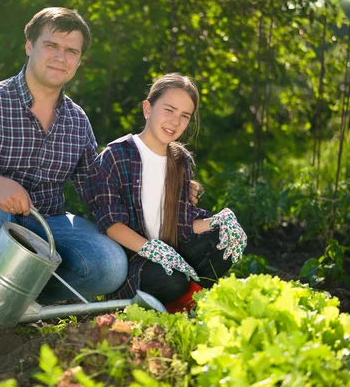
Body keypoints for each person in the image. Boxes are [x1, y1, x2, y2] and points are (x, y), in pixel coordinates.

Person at [0, 7, 129, 303]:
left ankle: (15, 297)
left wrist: (161, 189)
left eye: (71, 51)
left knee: (111, 266)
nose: (60, 57)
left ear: (78, 61)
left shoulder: (77, 120)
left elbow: (97, 191)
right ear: (29, 46)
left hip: (48, 224)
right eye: (51, 45)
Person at [86, 72, 247, 312]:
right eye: (169, 110)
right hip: (135, 260)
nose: (175, 121)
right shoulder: (116, 156)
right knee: (170, 280)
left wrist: (219, 221)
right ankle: (172, 299)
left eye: (184, 116)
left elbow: (183, 225)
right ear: (147, 109)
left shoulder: (180, 161)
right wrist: (151, 249)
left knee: (223, 241)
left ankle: (192, 299)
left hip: (173, 249)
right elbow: (111, 224)